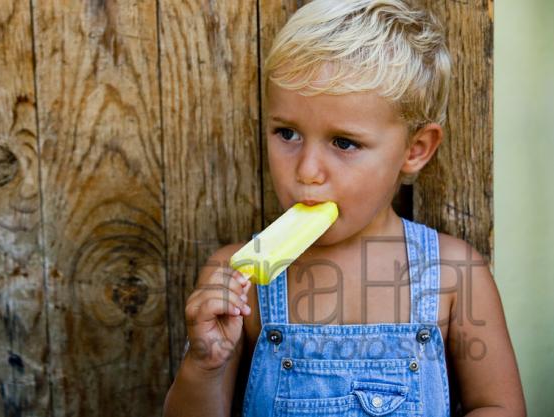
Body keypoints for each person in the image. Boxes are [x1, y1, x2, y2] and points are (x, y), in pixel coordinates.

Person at [163, 0, 526, 416]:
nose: (307, 170)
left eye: (344, 143)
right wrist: (205, 365)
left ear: (415, 149)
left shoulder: (454, 273)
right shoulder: (237, 279)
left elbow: (499, 406)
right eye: (287, 133)